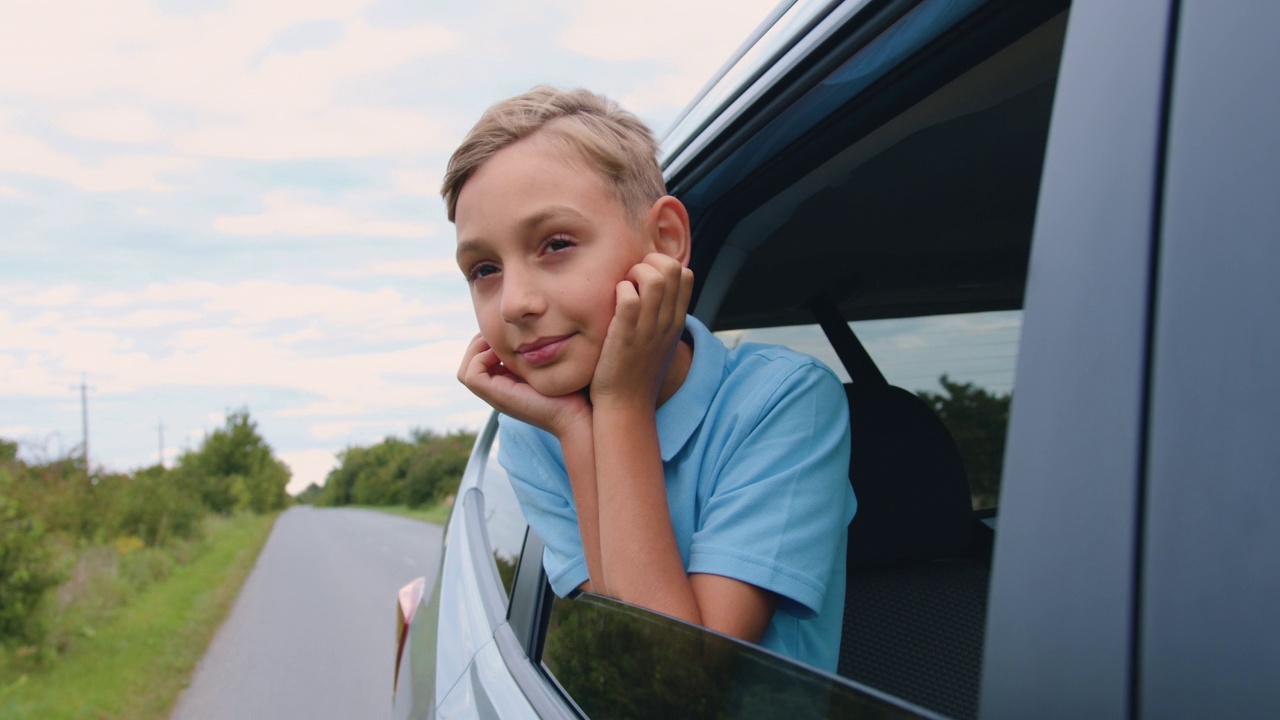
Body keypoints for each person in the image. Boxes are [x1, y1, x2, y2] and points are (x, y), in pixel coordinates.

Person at [444, 86, 855, 672]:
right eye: (484, 269)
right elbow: (634, 657)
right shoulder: (534, 434)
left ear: (664, 240)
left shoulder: (784, 401)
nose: (514, 303)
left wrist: (619, 401)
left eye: (556, 244)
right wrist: (576, 426)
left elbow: (678, 677)